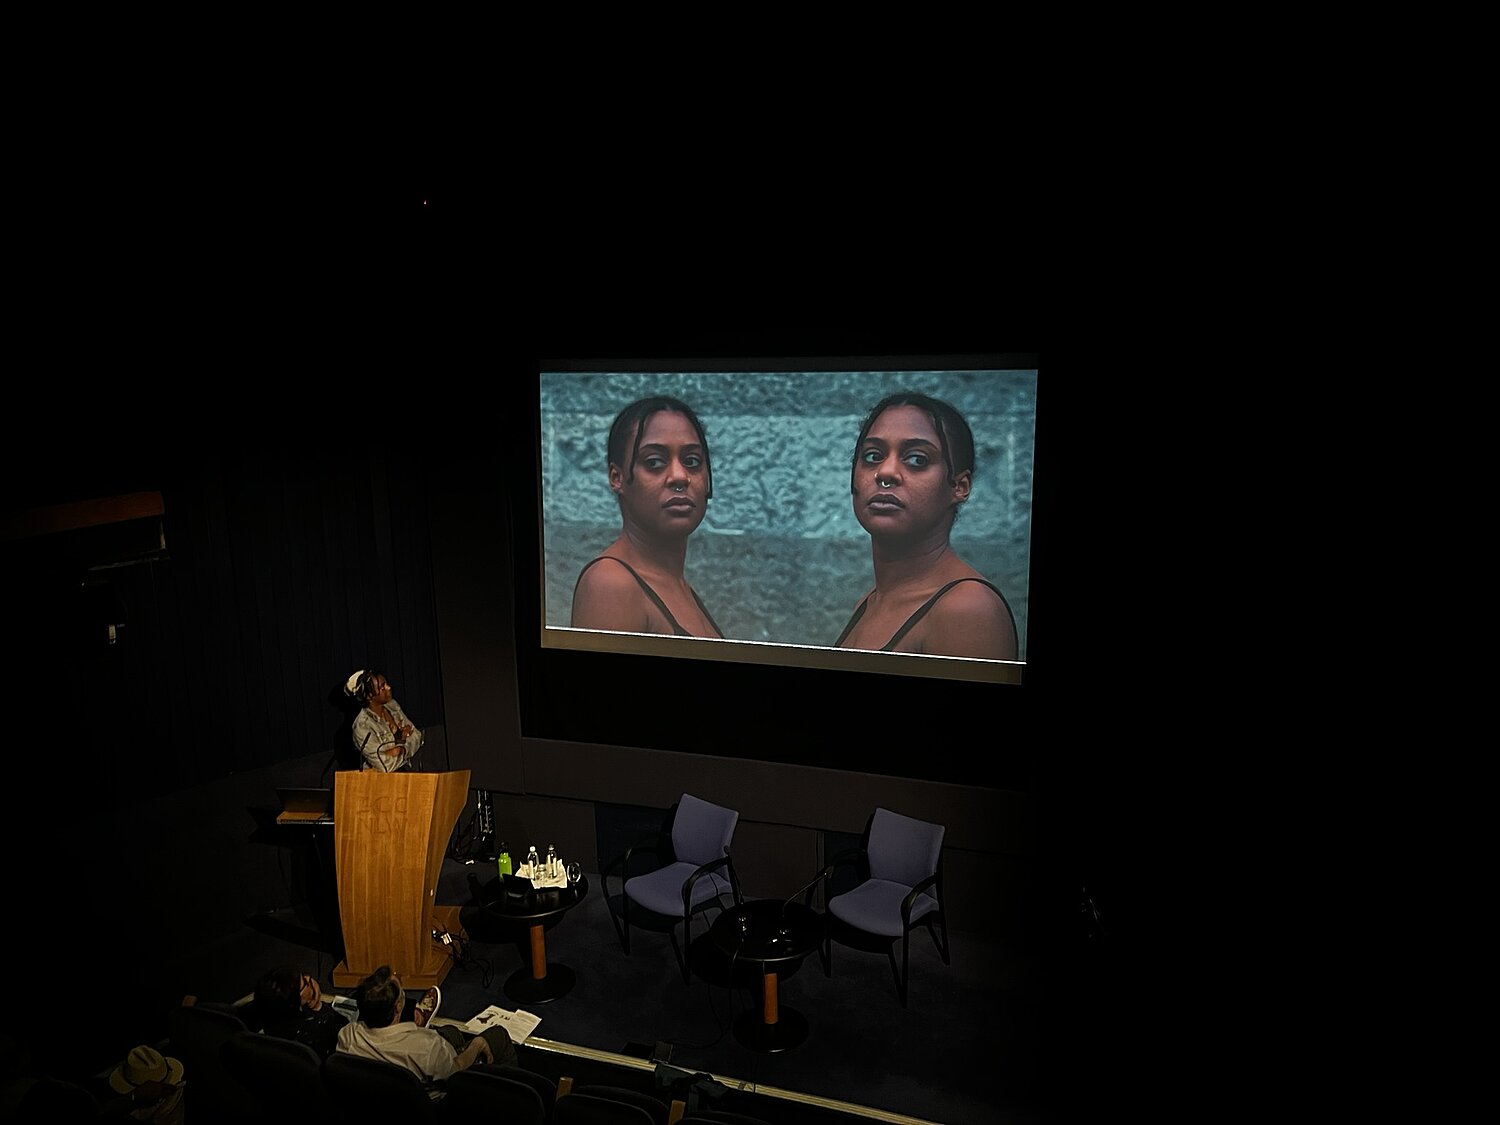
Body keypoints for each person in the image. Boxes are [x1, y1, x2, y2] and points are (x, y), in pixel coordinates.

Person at [835, 391, 1018, 660]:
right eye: (873, 456)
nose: (885, 473)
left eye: (917, 459)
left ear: (959, 486)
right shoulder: (867, 603)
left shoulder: (966, 609)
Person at [570, 395, 725, 638]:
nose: (679, 476)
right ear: (616, 478)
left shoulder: (677, 584)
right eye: (654, 462)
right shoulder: (611, 585)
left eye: (692, 461)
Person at [335, 965, 516, 1099]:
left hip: (381, 1104)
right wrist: (477, 1045)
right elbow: (456, 1070)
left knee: (451, 1032)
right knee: (496, 1035)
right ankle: (510, 1099)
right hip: (436, 1108)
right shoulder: (427, 1047)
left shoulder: (348, 1036)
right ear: (398, 1006)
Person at [253, 964, 347, 1061]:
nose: (308, 978)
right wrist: (319, 1006)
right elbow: (344, 1027)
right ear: (296, 1004)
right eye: (306, 983)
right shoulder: (318, 1028)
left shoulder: (270, 1018)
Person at [345, 670, 423, 772]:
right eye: (382, 687)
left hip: (404, 773)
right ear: (369, 696)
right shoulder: (362, 726)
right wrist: (403, 740)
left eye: (386, 683)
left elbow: (417, 735)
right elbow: (385, 765)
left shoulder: (392, 706)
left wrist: (399, 750)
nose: (388, 687)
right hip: (381, 782)